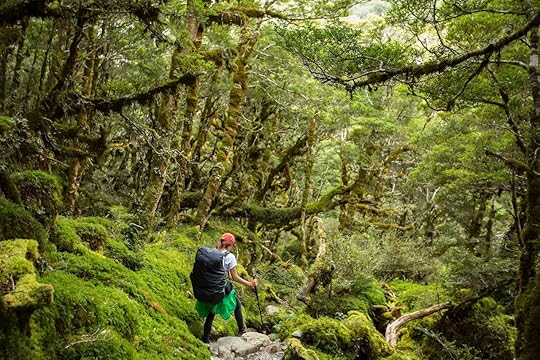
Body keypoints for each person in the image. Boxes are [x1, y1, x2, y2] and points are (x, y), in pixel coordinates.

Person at [197, 232, 257, 344]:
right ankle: (242, 330)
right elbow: (235, 277)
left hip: (208, 287)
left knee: (211, 312)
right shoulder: (230, 257)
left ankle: (205, 338)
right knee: (237, 304)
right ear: (230, 245)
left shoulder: (211, 252)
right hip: (220, 288)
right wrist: (249, 284)